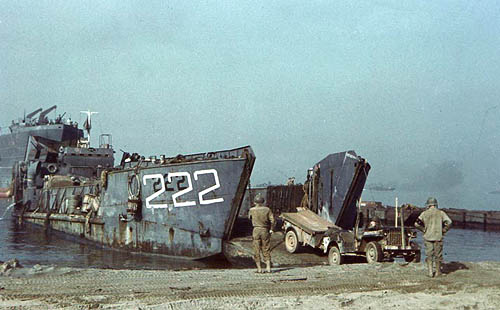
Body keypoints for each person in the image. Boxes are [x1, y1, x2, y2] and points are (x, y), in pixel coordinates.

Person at [415, 197, 452, 278]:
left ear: (428, 205)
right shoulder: (441, 213)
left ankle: (430, 272)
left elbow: (416, 224)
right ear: (436, 204)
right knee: (438, 255)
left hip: (428, 236)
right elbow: (449, 222)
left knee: (429, 255)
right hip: (438, 236)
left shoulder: (424, 213)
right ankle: (438, 272)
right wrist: (444, 230)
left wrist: (423, 229)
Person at [248, 193, 275, 273]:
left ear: (254, 202)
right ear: (263, 201)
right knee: (266, 248)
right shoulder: (267, 209)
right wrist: (271, 229)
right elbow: (273, 221)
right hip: (265, 230)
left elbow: (249, 218)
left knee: (256, 249)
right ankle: (268, 268)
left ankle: (259, 269)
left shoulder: (251, 210)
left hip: (256, 230)